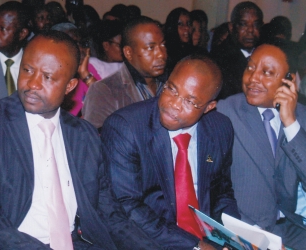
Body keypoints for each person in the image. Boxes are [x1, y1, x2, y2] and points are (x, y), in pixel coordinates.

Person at [0, 30, 161, 250]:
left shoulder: (84, 136)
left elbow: (110, 214)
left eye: (47, 77)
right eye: (27, 70)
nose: (32, 83)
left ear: (70, 86)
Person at [101, 54, 240, 249]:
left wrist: (231, 239)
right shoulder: (127, 128)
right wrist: (195, 246)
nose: (174, 104)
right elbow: (127, 206)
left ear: (209, 107)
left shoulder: (220, 128)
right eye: (172, 89)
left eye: (190, 101)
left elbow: (222, 193)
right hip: (150, 242)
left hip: (207, 240)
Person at [217, 44, 306, 249]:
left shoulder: (301, 117)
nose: (253, 78)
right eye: (250, 68)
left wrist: (290, 124)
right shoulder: (225, 111)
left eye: (267, 72)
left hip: (291, 227)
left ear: (289, 81)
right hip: (244, 229)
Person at [82, 16, 167, 130]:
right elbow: (96, 140)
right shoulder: (104, 90)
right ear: (128, 52)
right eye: (151, 48)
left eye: (163, 45)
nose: (161, 54)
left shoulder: (170, 84)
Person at [210, 1, 263, 100]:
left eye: (256, 25)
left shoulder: (266, 54)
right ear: (231, 27)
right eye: (243, 24)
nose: (250, 30)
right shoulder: (219, 58)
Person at [164, 8, 204, 72]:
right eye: (180, 24)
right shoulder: (165, 53)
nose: (186, 28)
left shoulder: (197, 52)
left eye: (188, 23)